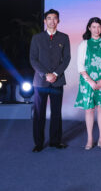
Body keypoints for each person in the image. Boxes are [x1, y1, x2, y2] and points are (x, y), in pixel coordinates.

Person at [29, 9, 71, 152]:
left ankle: (55, 141)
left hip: (57, 81)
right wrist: (45, 74)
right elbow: (33, 59)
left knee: (56, 113)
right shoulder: (37, 38)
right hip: (40, 82)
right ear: (45, 21)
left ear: (58, 21)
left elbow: (66, 59)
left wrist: (55, 73)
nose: (52, 21)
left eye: (55, 18)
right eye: (49, 18)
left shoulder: (64, 37)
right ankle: (38, 143)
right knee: (39, 113)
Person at [74, 17, 101, 150]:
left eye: (98, 27)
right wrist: (92, 82)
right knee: (89, 110)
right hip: (88, 82)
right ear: (89, 28)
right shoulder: (84, 44)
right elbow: (80, 65)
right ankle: (90, 139)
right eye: (93, 27)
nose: (96, 29)